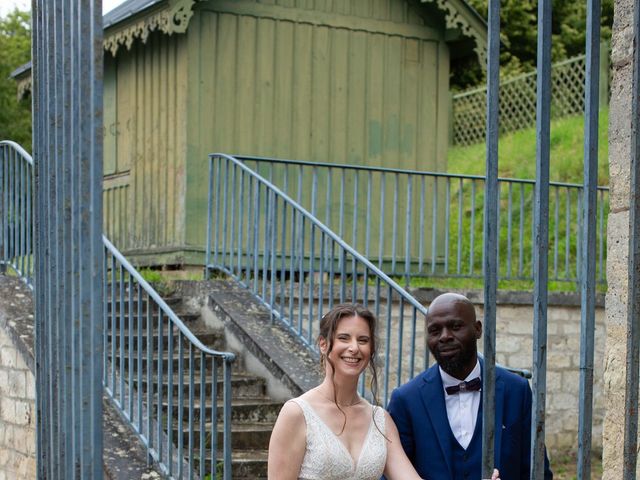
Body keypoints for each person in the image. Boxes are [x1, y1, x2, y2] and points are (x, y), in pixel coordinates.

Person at [267, 303, 500, 480]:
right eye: (343, 338)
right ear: (323, 344)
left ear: (371, 349)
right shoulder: (297, 414)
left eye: (363, 340)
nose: (354, 348)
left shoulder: (381, 420)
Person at [387, 292, 553, 480]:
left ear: (478, 329)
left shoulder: (517, 391)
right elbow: (391, 474)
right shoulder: (406, 400)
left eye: (455, 326)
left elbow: (538, 473)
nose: (444, 336)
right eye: (435, 331)